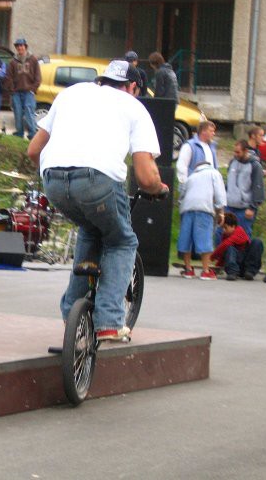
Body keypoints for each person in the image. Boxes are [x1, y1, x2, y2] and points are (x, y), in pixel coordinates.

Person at [27, 60, 168, 342]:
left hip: (54, 180)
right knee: (122, 241)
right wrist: (158, 187)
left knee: (91, 229)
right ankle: (109, 322)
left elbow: (33, 151)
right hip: (98, 182)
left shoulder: (72, 93)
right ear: (132, 87)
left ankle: (71, 314)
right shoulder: (133, 106)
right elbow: (144, 174)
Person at [177, 161, 227, 280]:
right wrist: (221, 211)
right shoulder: (214, 173)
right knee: (205, 239)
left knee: (186, 239)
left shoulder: (191, 176)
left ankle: (188, 269)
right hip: (204, 208)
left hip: (187, 208)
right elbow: (220, 193)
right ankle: (205, 271)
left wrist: (181, 205)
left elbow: (182, 194)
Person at [223, 139, 265, 237]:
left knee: (242, 236)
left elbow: (258, 186)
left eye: (238, 152)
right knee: (221, 234)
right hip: (229, 206)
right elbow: (228, 182)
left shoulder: (254, 166)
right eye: (234, 151)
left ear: (246, 151)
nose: (235, 154)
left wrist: (252, 207)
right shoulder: (232, 162)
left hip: (244, 209)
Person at [4, 37, 41, 140]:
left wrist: (33, 89)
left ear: (25, 47)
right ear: (16, 48)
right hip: (16, 92)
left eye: (22, 45)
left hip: (29, 92)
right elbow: (8, 77)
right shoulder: (12, 62)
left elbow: (38, 77)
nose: (20, 48)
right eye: (18, 46)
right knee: (18, 113)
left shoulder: (33, 59)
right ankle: (19, 133)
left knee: (29, 112)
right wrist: (12, 90)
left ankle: (32, 134)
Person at [211, 212, 263, 281]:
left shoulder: (239, 231)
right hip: (236, 266)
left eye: (225, 228)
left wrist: (211, 257)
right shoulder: (225, 236)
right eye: (222, 228)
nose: (223, 230)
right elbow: (223, 254)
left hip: (246, 264)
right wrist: (217, 268)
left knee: (257, 242)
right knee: (229, 248)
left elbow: (225, 244)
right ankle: (232, 273)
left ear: (233, 226)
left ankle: (250, 272)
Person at [176, 121, 219, 185]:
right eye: (211, 131)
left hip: (209, 185)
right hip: (193, 185)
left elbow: (215, 167)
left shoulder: (212, 146)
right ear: (203, 131)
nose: (213, 133)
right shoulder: (189, 146)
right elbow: (181, 166)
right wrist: (185, 184)